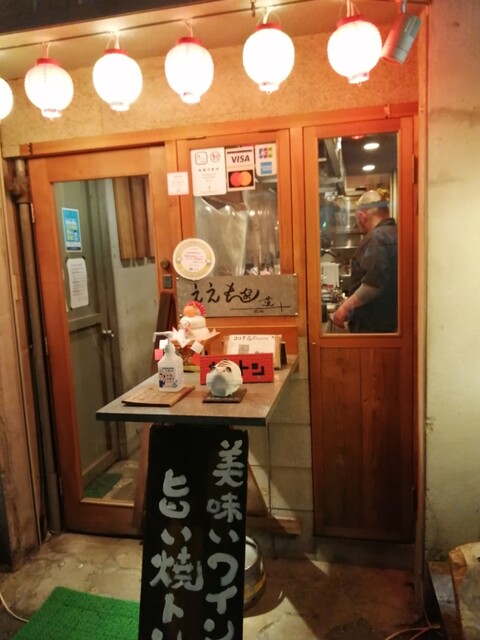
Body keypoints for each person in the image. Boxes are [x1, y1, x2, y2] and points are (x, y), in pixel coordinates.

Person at [332, 189, 398, 333]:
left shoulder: (376, 238)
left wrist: (344, 308)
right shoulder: (395, 232)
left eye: (357, 220)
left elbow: (373, 285)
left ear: (362, 217)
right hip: (390, 325)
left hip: (374, 327)